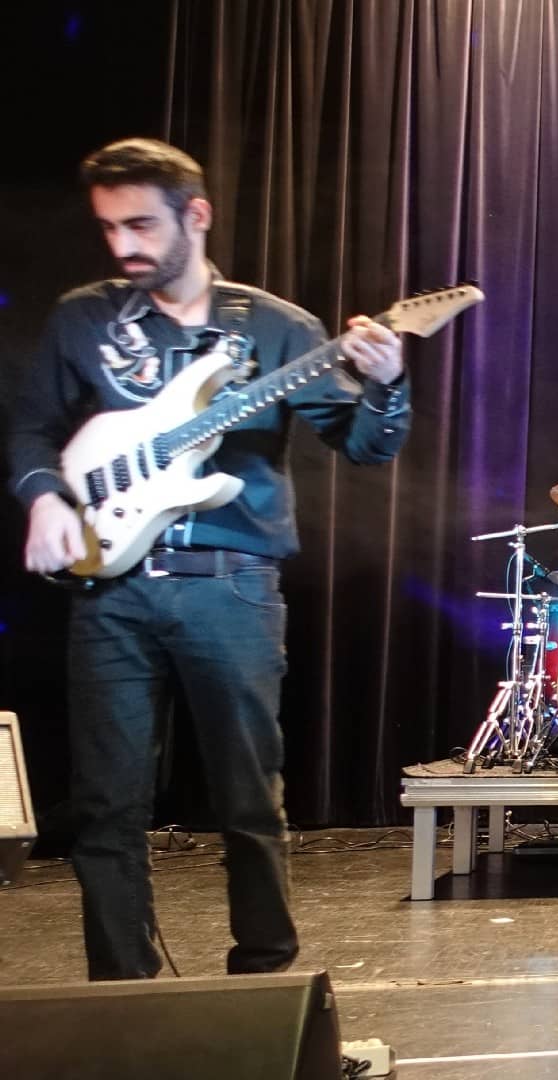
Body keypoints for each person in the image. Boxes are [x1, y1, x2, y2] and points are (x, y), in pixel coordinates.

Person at [8, 138, 409, 980]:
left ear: (196, 215)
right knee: (105, 809)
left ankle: (264, 980)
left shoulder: (276, 328)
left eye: (142, 224)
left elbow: (366, 447)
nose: (124, 246)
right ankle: (121, 997)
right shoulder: (86, 315)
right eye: (111, 227)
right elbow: (30, 425)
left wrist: (386, 381)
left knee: (246, 798)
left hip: (231, 585)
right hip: (109, 588)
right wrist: (45, 494)